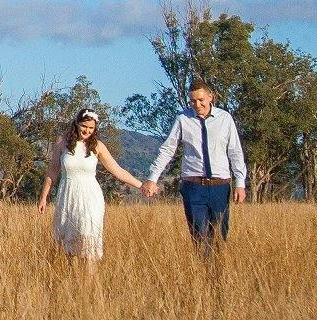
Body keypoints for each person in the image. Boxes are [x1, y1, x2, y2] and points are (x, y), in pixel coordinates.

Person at [142, 77, 246, 248]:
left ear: (211, 97)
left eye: (200, 100)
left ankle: (217, 273)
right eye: (192, 101)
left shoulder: (225, 118)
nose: (197, 105)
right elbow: (168, 149)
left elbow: (235, 151)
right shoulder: (183, 119)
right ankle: (201, 272)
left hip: (220, 186)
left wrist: (240, 182)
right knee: (199, 235)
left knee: (220, 235)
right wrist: (153, 177)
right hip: (193, 186)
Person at [36, 107, 142, 263]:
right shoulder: (62, 142)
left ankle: (90, 280)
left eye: (91, 128)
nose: (87, 131)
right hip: (68, 195)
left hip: (90, 196)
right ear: (77, 123)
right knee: (68, 240)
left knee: (87, 237)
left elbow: (117, 170)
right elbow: (52, 172)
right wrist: (43, 197)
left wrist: (141, 185)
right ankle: (73, 280)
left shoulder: (97, 146)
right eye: (84, 126)